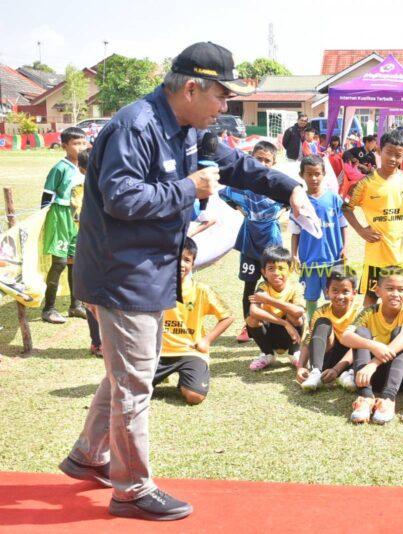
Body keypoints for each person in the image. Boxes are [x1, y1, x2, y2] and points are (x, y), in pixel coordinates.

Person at [63, 42, 311, 521]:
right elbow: (120, 196)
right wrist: (188, 189)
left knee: (133, 371)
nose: (225, 107)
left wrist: (291, 187)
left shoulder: (188, 127)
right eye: (221, 96)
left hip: (151, 269)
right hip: (123, 273)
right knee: (136, 382)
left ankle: (88, 456)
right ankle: (132, 490)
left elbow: (235, 165)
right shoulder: (136, 126)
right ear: (192, 87)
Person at [343, 129, 403, 307]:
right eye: (389, 153)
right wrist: (361, 230)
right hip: (376, 252)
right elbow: (346, 208)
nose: (393, 159)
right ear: (379, 151)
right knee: (372, 297)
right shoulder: (365, 183)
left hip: (400, 252)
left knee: (402, 295)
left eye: (399, 155)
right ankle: (366, 331)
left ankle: (400, 330)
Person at [218, 141, 285, 344]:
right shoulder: (242, 183)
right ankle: (249, 325)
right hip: (249, 240)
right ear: (251, 159)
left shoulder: (277, 184)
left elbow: (290, 199)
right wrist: (241, 210)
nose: (262, 163)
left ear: (273, 163)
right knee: (250, 286)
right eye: (259, 159)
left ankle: (277, 324)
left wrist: (280, 213)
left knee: (276, 284)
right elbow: (225, 194)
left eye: (267, 160)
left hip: (272, 241)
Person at [153, 238, 233, 404]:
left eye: (187, 260)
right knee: (132, 390)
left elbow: (228, 316)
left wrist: (206, 340)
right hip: (158, 352)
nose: (181, 264)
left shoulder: (201, 290)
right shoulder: (155, 287)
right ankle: (157, 377)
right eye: (176, 258)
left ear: (193, 264)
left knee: (195, 396)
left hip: (190, 351)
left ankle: (187, 378)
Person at [341, 266, 403, 424]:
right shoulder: (369, 311)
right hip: (371, 377)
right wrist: (373, 345)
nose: (395, 294)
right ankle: (365, 397)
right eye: (390, 288)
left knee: (400, 334)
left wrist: (373, 362)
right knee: (361, 333)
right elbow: (346, 336)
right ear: (378, 291)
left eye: (400, 290)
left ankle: (388, 399)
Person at [40, 126, 89, 324]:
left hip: (77, 219)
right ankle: (48, 308)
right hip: (59, 216)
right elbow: (47, 197)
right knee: (59, 262)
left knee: (76, 261)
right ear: (64, 146)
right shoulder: (59, 168)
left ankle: (75, 305)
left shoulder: (85, 166)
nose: (80, 147)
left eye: (83, 142)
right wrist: (43, 218)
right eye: (76, 143)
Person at [290, 155, 347, 320]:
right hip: (309, 261)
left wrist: (344, 248)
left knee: (334, 296)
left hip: (332, 259)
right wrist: (294, 255)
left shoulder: (334, 199)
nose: (314, 178)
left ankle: (333, 324)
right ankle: (312, 325)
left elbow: (344, 226)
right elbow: (295, 232)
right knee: (310, 297)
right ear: (302, 175)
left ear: (324, 174)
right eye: (309, 174)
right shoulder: (298, 201)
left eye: (317, 173)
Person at [295, 267, 360, 392]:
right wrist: (301, 366)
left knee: (362, 336)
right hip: (329, 357)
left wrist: (337, 369)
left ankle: (348, 374)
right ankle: (315, 372)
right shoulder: (321, 311)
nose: (340, 296)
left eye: (345, 291)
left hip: (351, 359)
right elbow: (309, 339)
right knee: (322, 323)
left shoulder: (360, 312)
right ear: (326, 292)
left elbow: (360, 345)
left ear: (354, 293)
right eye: (335, 291)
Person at [247, 245, 306, 370]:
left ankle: (294, 353)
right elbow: (253, 311)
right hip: (270, 332)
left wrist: (268, 300)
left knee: (296, 317)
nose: (276, 273)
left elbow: (299, 311)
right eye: (271, 268)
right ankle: (267, 354)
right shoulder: (263, 287)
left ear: (289, 270)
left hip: (292, 335)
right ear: (264, 272)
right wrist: (285, 323)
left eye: (281, 268)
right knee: (251, 319)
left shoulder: (296, 287)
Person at [72, 148, 102, 357]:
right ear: (81, 169)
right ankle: (97, 342)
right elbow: (79, 217)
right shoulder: (79, 190)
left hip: (108, 249)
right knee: (93, 299)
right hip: (91, 249)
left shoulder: (109, 185)